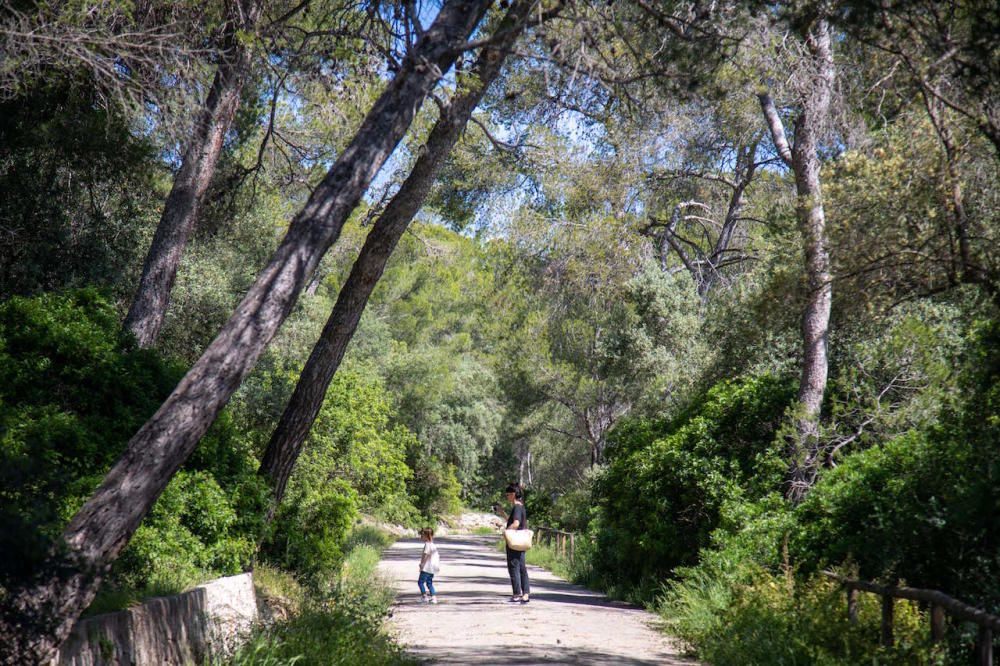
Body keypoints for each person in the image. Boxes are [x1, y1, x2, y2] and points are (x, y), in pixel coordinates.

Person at [504, 483, 530, 603]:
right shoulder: (521, 507)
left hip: (515, 541)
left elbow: (516, 523)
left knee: (514, 566)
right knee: (521, 567)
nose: (507, 497)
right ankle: (525, 593)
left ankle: (516, 594)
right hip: (521, 540)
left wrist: (506, 531)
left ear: (513, 494)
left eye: (508, 494)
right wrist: (501, 512)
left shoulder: (517, 507)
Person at [418, 527, 440, 604]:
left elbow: (426, 555)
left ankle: (424, 597)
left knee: (420, 582)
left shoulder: (427, 545)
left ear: (426, 536)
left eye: (422, 535)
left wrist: (422, 564)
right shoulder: (433, 545)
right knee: (429, 582)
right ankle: (433, 597)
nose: (421, 537)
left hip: (427, 567)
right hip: (432, 568)